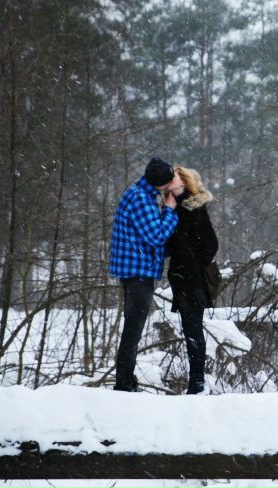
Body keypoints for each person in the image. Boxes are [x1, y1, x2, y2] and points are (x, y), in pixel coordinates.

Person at [109, 157, 181, 392]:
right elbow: (156, 236)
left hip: (135, 273)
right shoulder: (141, 199)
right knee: (133, 331)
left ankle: (126, 381)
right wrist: (170, 211)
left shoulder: (140, 194)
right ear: (161, 183)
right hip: (138, 274)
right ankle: (124, 384)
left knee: (132, 330)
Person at [165, 166, 219, 395]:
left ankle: (196, 384)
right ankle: (196, 383)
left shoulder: (191, 207)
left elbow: (210, 244)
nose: (170, 178)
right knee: (191, 328)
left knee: (193, 329)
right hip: (183, 278)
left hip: (191, 279)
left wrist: (192, 263)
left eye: (175, 175)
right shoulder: (175, 206)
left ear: (184, 181)